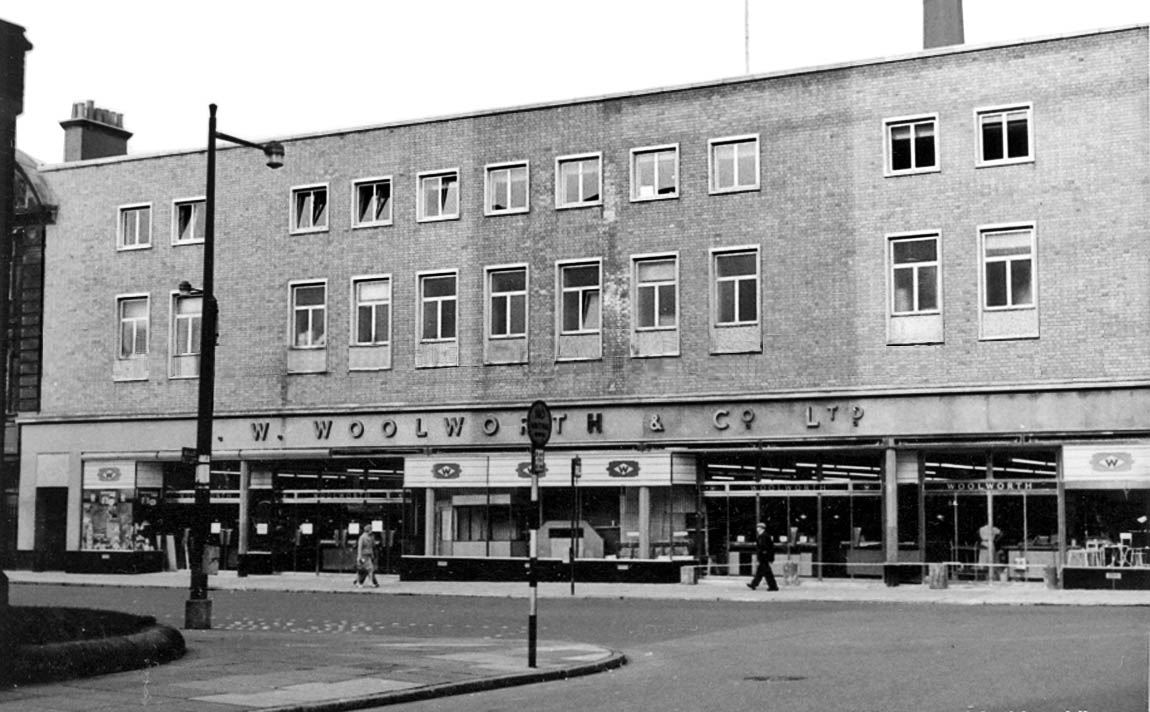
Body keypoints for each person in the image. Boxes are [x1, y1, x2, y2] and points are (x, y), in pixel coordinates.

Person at [746, 522, 779, 591]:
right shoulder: (763, 536)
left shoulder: (764, 536)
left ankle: (773, 586)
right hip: (764, 557)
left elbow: (765, 548)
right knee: (761, 572)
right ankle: (754, 584)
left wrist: (762, 556)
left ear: (761, 528)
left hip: (764, 558)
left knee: (767, 573)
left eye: (758, 527)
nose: (757, 529)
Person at [354, 522, 379, 587]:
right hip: (363, 556)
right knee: (360, 570)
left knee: (370, 568)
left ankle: (370, 582)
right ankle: (358, 582)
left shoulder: (370, 537)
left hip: (368, 556)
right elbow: (359, 547)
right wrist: (359, 557)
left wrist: (372, 554)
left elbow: (371, 546)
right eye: (371, 529)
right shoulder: (362, 537)